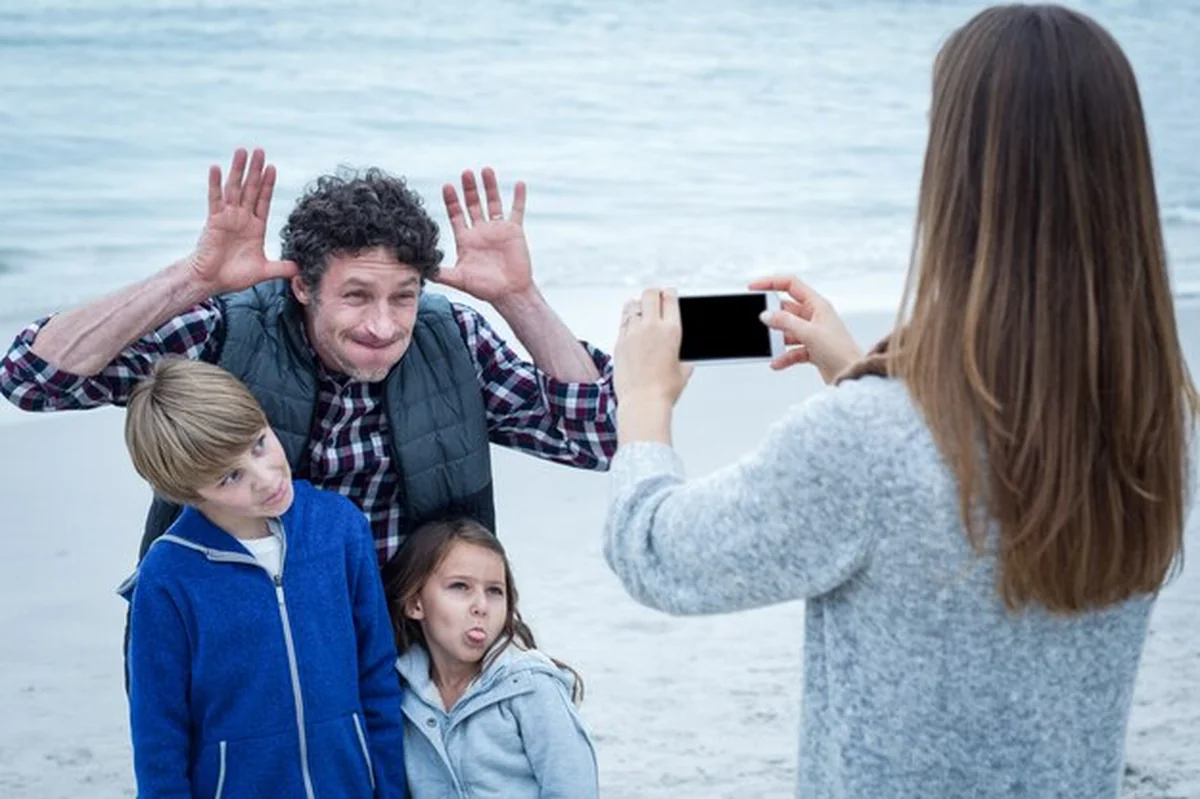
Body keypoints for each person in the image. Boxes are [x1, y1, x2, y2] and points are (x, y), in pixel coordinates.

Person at [603, 5, 1199, 798]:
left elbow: (658, 553)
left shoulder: (871, 443)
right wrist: (861, 369)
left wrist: (645, 399)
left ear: (958, 179)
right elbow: (989, 491)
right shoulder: (1159, 424)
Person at [0, 149, 615, 677]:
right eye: (355, 295)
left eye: (403, 297)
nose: (383, 325)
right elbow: (32, 379)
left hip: (417, 656)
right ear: (302, 286)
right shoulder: (227, 334)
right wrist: (191, 280)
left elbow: (599, 438)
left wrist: (519, 298)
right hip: (243, 657)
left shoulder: (452, 339)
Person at [118, 359, 406, 798]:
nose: (266, 477)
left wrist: (388, 789)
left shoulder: (340, 528)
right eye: (231, 477)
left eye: (258, 444)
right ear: (190, 493)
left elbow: (377, 675)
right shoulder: (167, 577)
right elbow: (158, 733)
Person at [384, 516, 599, 798]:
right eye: (460, 586)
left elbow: (574, 789)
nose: (481, 606)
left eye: (495, 591)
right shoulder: (402, 695)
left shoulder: (531, 689)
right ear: (415, 603)